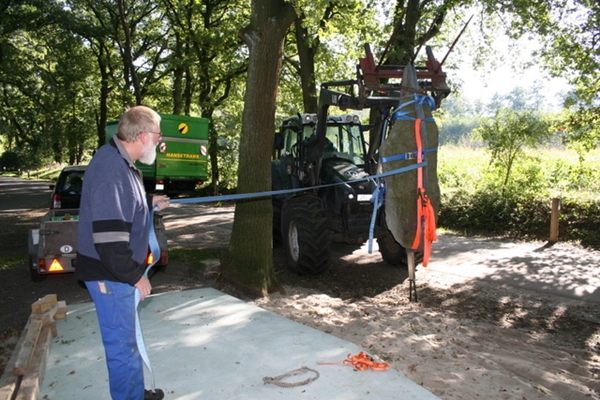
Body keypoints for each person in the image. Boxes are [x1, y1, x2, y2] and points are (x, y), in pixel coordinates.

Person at [76, 106, 170, 400]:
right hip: (111, 275)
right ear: (142, 136)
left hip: (115, 273)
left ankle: (134, 394)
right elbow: (108, 237)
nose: (159, 141)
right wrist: (134, 277)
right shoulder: (112, 169)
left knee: (127, 342)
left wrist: (148, 202)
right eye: (157, 135)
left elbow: (122, 205)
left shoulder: (120, 161)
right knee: (122, 347)